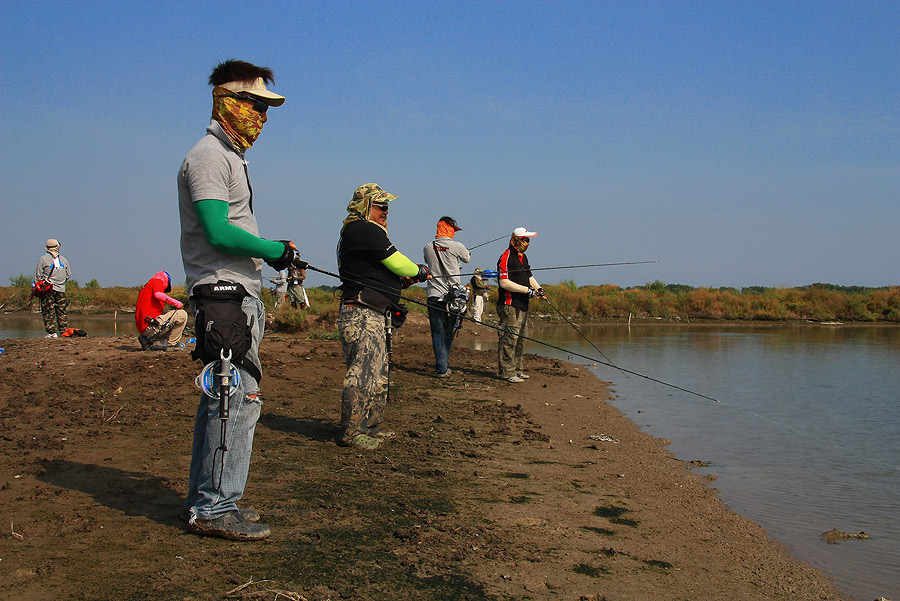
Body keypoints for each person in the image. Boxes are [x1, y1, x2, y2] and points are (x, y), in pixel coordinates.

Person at [177, 59, 300, 541]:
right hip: (223, 294)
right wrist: (273, 250)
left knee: (225, 399)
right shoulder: (209, 156)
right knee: (236, 400)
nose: (261, 116)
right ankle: (213, 508)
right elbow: (216, 229)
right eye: (254, 104)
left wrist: (270, 253)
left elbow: (230, 229)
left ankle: (211, 501)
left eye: (267, 108)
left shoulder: (231, 157)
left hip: (235, 293)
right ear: (226, 99)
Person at [336, 183, 429, 450]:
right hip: (361, 314)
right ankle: (351, 433)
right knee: (363, 373)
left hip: (376, 313)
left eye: (387, 207)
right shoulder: (361, 228)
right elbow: (397, 261)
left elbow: (384, 270)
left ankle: (370, 427)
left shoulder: (364, 231)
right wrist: (419, 271)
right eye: (381, 206)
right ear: (365, 206)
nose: (386, 211)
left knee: (378, 375)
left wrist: (400, 281)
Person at [423, 216, 470, 377]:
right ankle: (443, 365)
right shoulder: (458, 246)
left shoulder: (428, 247)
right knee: (449, 331)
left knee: (437, 332)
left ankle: (441, 367)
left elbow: (428, 261)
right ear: (450, 229)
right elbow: (467, 258)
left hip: (433, 295)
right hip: (453, 297)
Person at [496, 227, 545, 383]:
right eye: (525, 240)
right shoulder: (506, 257)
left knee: (521, 339)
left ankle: (517, 369)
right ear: (517, 240)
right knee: (509, 339)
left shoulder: (523, 257)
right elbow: (504, 283)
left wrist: (538, 289)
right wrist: (526, 290)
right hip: (510, 305)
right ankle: (506, 372)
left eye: (528, 240)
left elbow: (529, 276)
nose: (527, 243)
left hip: (523, 304)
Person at [135, 271, 188, 351]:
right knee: (182, 314)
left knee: (171, 324)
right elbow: (158, 295)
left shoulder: (145, 288)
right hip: (150, 326)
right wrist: (177, 303)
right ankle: (172, 345)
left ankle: (146, 339)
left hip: (144, 328)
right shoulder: (157, 280)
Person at [34, 239, 71, 338]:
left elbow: (38, 276)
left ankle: (52, 332)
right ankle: (63, 331)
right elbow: (68, 275)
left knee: (48, 311)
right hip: (61, 289)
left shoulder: (43, 259)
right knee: (61, 311)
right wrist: (60, 282)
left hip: (48, 290)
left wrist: (42, 284)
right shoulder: (64, 260)